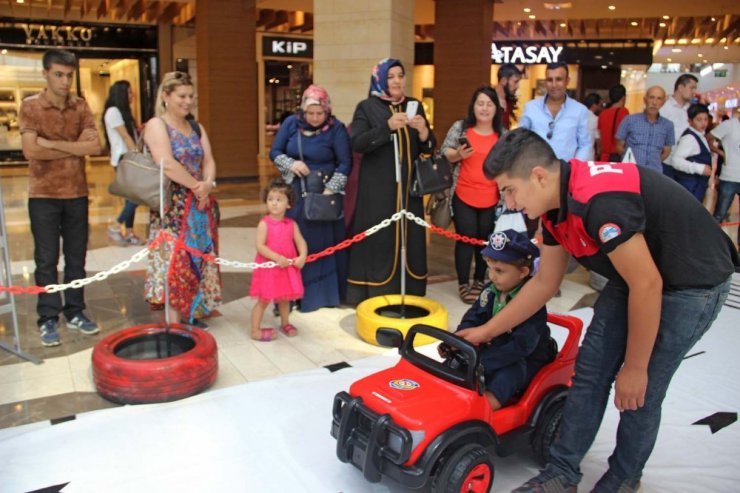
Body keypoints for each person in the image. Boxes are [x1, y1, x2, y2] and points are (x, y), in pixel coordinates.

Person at [461, 128, 737, 493]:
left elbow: (649, 286)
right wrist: (486, 331)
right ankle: (561, 472)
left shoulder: (599, 202)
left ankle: (623, 478)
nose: (509, 203)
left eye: (509, 190)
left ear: (539, 176)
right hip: (639, 275)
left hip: (691, 283)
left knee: (640, 391)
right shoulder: (551, 204)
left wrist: (635, 367)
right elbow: (544, 284)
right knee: (590, 373)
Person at [19, 49, 102, 347]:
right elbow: (31, 151)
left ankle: (76, 311)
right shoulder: (31, 107)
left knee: (77, 258)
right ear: (45, 73)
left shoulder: (80, 106)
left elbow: (95, 146)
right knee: (46, 259)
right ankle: (47, 318)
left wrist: (51, 143)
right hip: (42, 194)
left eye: (69, 75)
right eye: (59, 74)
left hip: (77, 193)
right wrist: (73, 146)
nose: (65, 81)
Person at [346, 58, 436, 304]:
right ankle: (375, 293)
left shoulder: (414, 105)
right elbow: (357, 143)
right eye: (391, 76)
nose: (397, 81)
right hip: (377, 192)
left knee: (410, 240)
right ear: (380, 80)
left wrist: (424, 133)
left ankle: (411, 291)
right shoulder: (367, 107)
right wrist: (386, 127)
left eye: (400, 75)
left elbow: (428, 148)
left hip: (410, 192)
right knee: (380, 239)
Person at [442, 229, 555, 411]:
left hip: (522, 356)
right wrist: (459, 342)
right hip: (493, 348)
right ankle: (446, 395)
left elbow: (521, 347)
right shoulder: (490, 291)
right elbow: (473, 317)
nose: (492, 276)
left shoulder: (532, 304)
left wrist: (482, 362)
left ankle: (485, 408)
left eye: (500, 271)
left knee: (510, 374)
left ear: (523, 272)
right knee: (453, 363)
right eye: (489, 268)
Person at [143, 71, 222, 326]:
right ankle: (174, 322)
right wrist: (197, 186)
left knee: (197, 257)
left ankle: (192, 312)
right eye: (182, 96)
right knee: (174, 263)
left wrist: (207, 184)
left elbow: (208, 159)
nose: (188, 101)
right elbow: (166, 163)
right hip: (173, 208)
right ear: (166, 96)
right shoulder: (157, 125)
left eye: (191, 96)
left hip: (198, 205)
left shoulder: (196, 126)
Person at [270, 84, 352, 312]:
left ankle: (319, 296)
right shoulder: (290, 124)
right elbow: (275, 152)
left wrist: (330, 190)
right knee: (290, 243)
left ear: (327, 111)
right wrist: (291, 164)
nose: (315, 118)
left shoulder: (337, 129)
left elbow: (345, 162)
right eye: (310, 113)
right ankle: (287, 296)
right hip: (295, 193)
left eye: (320, 113)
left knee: (320, 245)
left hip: (323, 195)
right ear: (303, 111)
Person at [440, 86, 503, 304]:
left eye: (489, 104)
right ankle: (463, 283)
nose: (484, 108)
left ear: (496, 108)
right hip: (463, 194)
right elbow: (444, 152)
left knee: (484, 241)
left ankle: (479, 280)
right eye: (480, 103)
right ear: (473, 106)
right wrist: (458, 154)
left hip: (491, 198)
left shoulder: (502, 134)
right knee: (465, 240)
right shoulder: (461, 128)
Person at [249, 179, 308, 341]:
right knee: (263, 300)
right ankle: (255, 330)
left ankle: (285, 322)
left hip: (285, 268)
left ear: (288, 204)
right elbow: (260, 246)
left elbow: (301, 241)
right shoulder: (264, 224)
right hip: (269, 268)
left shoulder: (291, 224)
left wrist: (302, 256)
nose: (274, 203)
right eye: (270, 199)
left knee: (284, 297)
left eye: (279, 200)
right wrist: (276, 257)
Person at [519, 61, 592, 162]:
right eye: (550, 80)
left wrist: (573, 167)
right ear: (545, 82)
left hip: (566, 172)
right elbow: (520, 139)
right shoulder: (531, 108)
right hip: (535, 170)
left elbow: (585, 145)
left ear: (567, 81)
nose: (554, 85)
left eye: (559, 79)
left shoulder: (579, 111)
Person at [102, 80, 143, 246]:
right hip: (124, 159)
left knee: (130, 197)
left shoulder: (122, 112)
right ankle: (116, 225)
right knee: (136, 196)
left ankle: (130, 232)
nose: (132, 95)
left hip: (126, 157)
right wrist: (137, 157)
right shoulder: (113, 111)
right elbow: (125, 136)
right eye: (129, 92)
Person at [615, 86, 674, 172]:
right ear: (645, 99)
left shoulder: (668, 125)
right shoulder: (629, 120)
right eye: (651, 97)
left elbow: (667, 151)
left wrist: (654, 161)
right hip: (631, 171)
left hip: (654, 173)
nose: (654, 102)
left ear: (663, 102)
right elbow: (619, 147)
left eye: (659, 99)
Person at [669, 103, 713, 202]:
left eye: (706, 119)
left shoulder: (700, 135)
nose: (703, 123)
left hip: (696, 186)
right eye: (699, 119)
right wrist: (699, 168)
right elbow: (676, 161)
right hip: (690, 187)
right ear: (690, 121)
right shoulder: (689, 138)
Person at [661, 74, 699, 178]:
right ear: (680, 87)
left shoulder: (690, 110)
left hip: (686, 164)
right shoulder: (665, 107)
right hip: (667, 163)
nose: (694, 92)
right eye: (692, 88)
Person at [709, 112, 740, 227]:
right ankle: (712, 241)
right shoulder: (729, 125)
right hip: (729, 177)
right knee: (719, 215)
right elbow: (709, 138)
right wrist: (722, 153)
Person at [597, 84, 629, 162]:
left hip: (604, 156)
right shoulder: (624, 112)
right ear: (623, 97)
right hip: (617, 155)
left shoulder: (602, 113)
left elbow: (599, 136)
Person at [495, 63, 523, 130]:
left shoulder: (508, 101)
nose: (518, 86)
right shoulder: (489, 101)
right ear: (503, 81)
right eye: (515, 82)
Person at [583, 92, 602, 161]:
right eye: (600, 105)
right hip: (589, 155)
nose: (600, 108)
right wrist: (599, 152)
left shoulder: (577, 115)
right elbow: (598, 140)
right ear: (594, 105)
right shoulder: (595, 119)